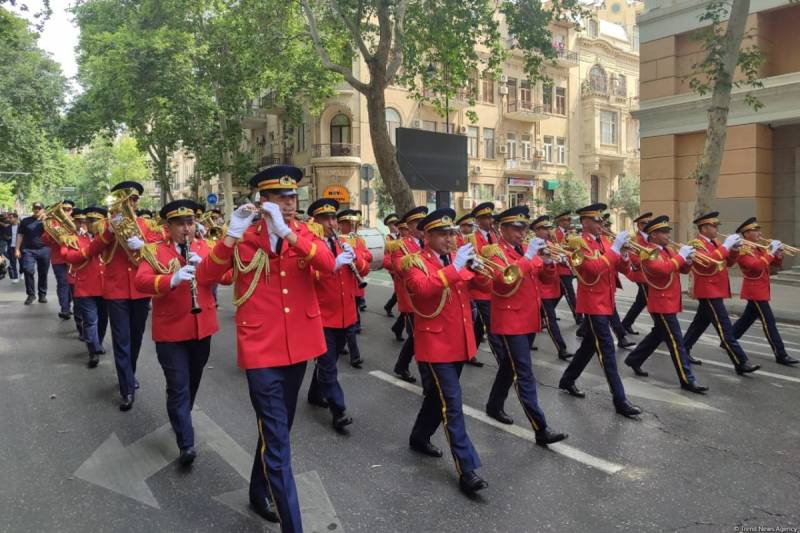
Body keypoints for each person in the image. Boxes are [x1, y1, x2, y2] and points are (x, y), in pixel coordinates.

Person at [198, 165, 335, 529]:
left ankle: (258, 490)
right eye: (280, 197)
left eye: (293, 197)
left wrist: (288, 234)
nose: (289, 203)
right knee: (277, 442)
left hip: (300, 346)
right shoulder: (244, 237)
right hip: (260, 350)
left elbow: (328, 265)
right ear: (263, 201)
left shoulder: (305, 233)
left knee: (278, 429)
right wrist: (230, 236)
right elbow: (207, 277)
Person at [403, 207, 487, 495]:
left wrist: (476, 268)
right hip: (435, 345)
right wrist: (455, 268)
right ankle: (467, 468)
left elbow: (484, 288)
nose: (449, 239)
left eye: (451, 233)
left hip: (459, 341)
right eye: (441, 234)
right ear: (426, 236)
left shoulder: (457, 259)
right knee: (452, 403)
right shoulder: (414, 262)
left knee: (436, 397)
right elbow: (423, 290)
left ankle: (419, 436)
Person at [133, 199, 220, 465]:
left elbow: (228, 277)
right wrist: (171, 279)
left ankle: (181, 415)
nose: (186, 228)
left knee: (192, 381)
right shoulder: (154, 250)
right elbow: (141, 282)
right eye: (179, 224)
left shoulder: (206, 247)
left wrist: (206, 264)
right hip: (170, 331)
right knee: (178, 385)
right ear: (168, 227)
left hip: (202, 327)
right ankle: (186, 443)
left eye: (190, 223)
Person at [482, 207, 569, 445]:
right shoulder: (494, 252)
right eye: (516, 229)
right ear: (503, 229)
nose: (521, 233)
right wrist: (529, 258)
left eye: (523, 229)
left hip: (529, 318)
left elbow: (546, 280)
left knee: (509, 366)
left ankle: (494, 405)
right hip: (510, 321)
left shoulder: (525, 250)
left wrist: (549, 262)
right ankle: (540, 428)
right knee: (524, 372)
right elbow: (503, 283)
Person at [78, 181, 163, 411]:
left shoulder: (147, 225)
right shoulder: (104, 225)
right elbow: (92, 250)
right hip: (116, 290)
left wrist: (143, 244)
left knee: (135, 338)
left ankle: (129, 373)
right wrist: (110, 231)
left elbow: (160, 249)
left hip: (140, 289)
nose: (130, 203)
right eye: (127, 199)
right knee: (121, 340)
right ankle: (126, 388)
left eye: (133, 199)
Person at [558, 203, 643, 417]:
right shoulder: (577, 243)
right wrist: (615, 251)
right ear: (585, 222)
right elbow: (592, 269)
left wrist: (624, 254)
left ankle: (567, 379)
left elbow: (621, 268)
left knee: (589, 345)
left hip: (606, 300)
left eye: (601, 221)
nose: (601, 224)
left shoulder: (605, 240)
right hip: (592, 303)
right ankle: (620, 400)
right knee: (607, 351)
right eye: (597, 221)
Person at [623, 216, 709, 393]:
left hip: (670, 301)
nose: (668, 235)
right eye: (664, 232)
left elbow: (681, 269)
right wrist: (681, 256)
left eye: (668, 231)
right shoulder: (648, 252)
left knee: (657, 335)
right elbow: (662, 269)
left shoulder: (668, 250)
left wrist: (689, 260)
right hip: (661, 303)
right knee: (677, 342)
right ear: (653, 235)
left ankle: (634, 359)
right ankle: (687, 379)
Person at [306, 198, 363, 431]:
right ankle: (338, 411)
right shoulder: (310, 244)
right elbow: (306, 275)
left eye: (333, 218)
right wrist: (333, 265)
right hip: (322, 315)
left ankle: (314, 393)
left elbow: (365, 268)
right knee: (328, 363)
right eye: (325, 219)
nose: (331, 223)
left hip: (345, 313)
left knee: (328, 360)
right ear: (315, 221)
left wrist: (355, 258)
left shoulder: (343, 242)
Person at [682, 212, 760, 375]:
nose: (717, 229)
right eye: (714, 226)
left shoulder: (716, 242)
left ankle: (683, 350)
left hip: (716, 289)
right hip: (708, 290)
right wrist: (726, 246)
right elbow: (708, 263)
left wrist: (734, 250)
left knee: (700, 323)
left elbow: (729, 263)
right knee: (725, 327)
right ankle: (741, 361)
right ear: (704, 228)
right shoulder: (696, 244)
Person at [730, 218, 798, 366]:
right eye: (756, 231)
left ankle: (728, 340)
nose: (760, 233)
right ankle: (781, 354)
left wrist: (778, 253)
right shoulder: (743, 250)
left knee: (747, 319)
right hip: (754, 291)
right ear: (746, 234)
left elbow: (775, 265)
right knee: (769, 322)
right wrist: (771, 252)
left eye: (759, 230)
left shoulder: (758, 247)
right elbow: (757, 266)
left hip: (761, 288)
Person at [62, 207, 109, 368]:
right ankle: (93, 350)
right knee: (90, 321)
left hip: (106, 286)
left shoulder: (111, 239)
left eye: (96, 221)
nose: (92, 224)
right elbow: (69, 256)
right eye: (89, 221)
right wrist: (89, 250)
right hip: (85, 285)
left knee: (103, 319)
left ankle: (98, 342)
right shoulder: (74, 239)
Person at [390, 206, 428, 383]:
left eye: (423, 222)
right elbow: (400, 268)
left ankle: (401, 365)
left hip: (430, 297)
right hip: (411, 298)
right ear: (409, 226)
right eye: (417, 223)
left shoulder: (429, 242)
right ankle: (426, 379)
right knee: (418, 337)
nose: (421, 226)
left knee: (419, 336)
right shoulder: (400, 245)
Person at [530, 215, 573, 360]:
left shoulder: (550, 243)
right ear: (536, 230)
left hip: (552, 286)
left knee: (537, 317)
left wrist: (562, 259)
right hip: (541, 289)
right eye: (544, 229)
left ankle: (528, 342)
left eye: (548, 228)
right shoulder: (531, 246)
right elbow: (534, 264)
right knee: (551, 319)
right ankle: (562, 348)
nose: (548, 231)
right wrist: (547, 260)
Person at [42, 199, 76, 319]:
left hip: (76, 258)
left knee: (73, 284)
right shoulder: (53, 223)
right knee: (63, 283)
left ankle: (73, 305)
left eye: (68, 209)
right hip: (59, 258)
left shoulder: (77, 221)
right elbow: (45, 240)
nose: (66, 211)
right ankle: (65, 308)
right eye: (63, 209)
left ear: (72, 210)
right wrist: (53, 235)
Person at [620, 212, 653, 335]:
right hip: (641, 275)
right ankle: (662, 328)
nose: (647, 225)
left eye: (649, 222)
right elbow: (634, 259)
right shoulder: (634, 239)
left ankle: (625, 324)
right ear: (639, 225)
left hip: (651, 275)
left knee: (641, 302)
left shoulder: (651, 237)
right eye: (644, 223)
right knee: (649, 301)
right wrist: (650, 262)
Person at [16, 202, 50, 305]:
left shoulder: (48, 220)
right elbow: (20, 235)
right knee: (28, 270)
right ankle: (31, 294)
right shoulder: (25, 221)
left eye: (39, 208)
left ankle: (42, 294)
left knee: (43, 273)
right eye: (35, 208)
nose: (37, 210)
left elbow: (54, 233)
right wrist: (17, 249)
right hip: (28, 250)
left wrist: (46, 221)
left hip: (44, 249)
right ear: (32, 209)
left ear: (43, 209)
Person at [553, 211, 581, 325]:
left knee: (560, 293)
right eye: (566, 220)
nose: (569, 222)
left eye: (569, 219)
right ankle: (578, 317)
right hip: (561, 268)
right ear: (559, 221)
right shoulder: (555, 234)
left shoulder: (570, 233)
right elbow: (555, 249)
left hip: (569, 266)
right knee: (570, 293)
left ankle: (544, 314)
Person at [382, 213, 400, 317]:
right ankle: (389, 306)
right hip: (393, 268)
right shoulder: (387, 239)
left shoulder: (401, 235)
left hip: (402, 267)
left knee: (400, 290)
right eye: (393, 224)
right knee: (400, 290)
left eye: (396, 223)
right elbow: (387, 256)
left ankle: (389, 306)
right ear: (388, 226)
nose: (395, 226)